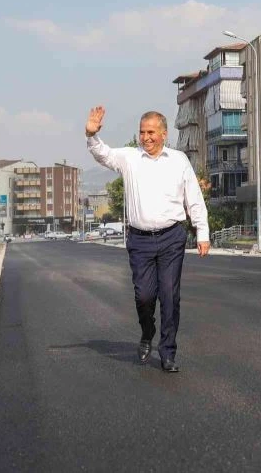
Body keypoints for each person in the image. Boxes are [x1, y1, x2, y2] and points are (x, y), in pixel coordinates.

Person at [85, 106, 210, 373]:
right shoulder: (130, 158)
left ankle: (167, 352)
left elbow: (194, 198)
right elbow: (103, 155)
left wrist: (203, 232)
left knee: (169, 295)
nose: (146, 137)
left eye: (151, 132)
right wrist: (92, 135)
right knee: (144, 296)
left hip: (172, 238)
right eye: (142, 132)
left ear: (164, 134)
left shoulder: (179, 161)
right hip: (140, 241)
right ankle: (147, 331)